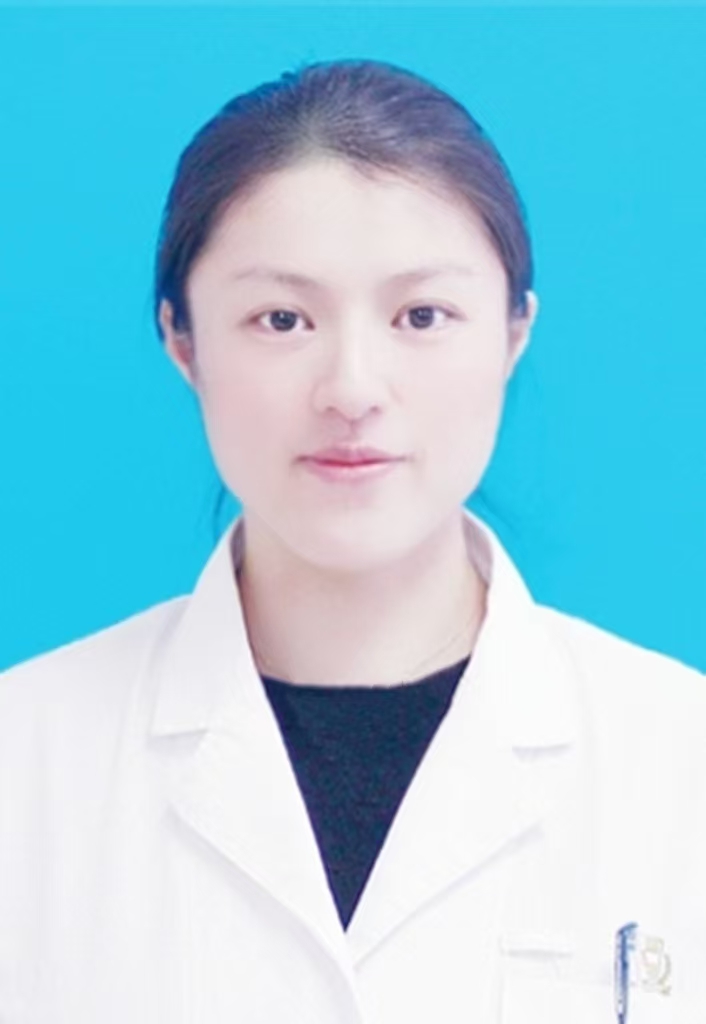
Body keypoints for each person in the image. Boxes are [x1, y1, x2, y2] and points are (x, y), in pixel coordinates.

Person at [1, 57, 705, 1024]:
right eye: (282, 318)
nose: (352, 389)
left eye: (422, 315)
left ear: (513, 333)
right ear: (182, 340)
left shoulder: (680, 757)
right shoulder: (24, 760)